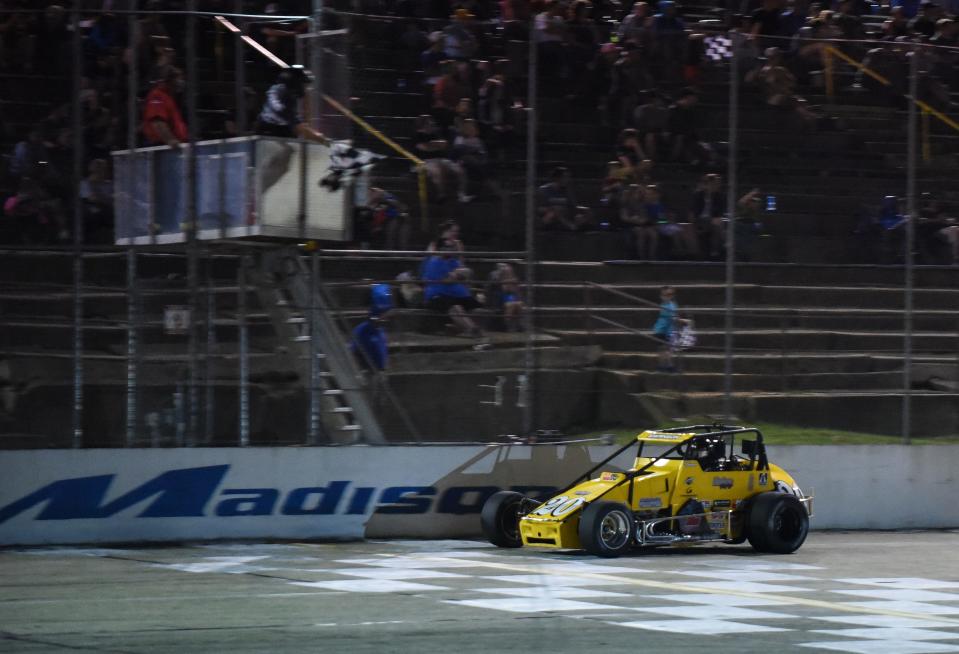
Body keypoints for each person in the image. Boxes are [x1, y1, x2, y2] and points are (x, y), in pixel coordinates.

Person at [422, 242, 483, 338]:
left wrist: (457, 274)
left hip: (455, 295)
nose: (449, 250)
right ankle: (471, 329)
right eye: (446, 248)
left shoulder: (453, 261)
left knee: (474, 304)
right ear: (440, 249)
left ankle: (457, 328)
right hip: (437, 295)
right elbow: (446, 281)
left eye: (450, 247)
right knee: (454, 307)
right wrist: (456, 274)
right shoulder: (434, 262)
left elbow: (466, 274)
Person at [256, 65, 329, 144]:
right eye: (304, 84)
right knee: (289, 148)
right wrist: (322, 139)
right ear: (296, 83)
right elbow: (300, 129)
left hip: (276, 127)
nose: (306, 88)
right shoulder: (284, 104)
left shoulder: (280, 90)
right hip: (268, 132)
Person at [142, 65, 188, 148]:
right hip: (162, 147)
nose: (181, 82)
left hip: (174, 146)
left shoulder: (169, 97)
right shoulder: (157, 95)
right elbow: (157, 122)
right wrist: (170, 140)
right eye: (179, 79)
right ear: (170, 80)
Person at [652, 285, 687, 373]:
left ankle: (666, 366)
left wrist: (682, 320)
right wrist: (684, 321)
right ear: (661, 296)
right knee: (663, 349)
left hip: (665, 330)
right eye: (665, 295)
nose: (668, 296)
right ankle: (666, 366)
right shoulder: (668, 305)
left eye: (670, 294)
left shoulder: (670, 305)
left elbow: (673, 318)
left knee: (664, 349)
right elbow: (673, 318)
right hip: (661, 330)